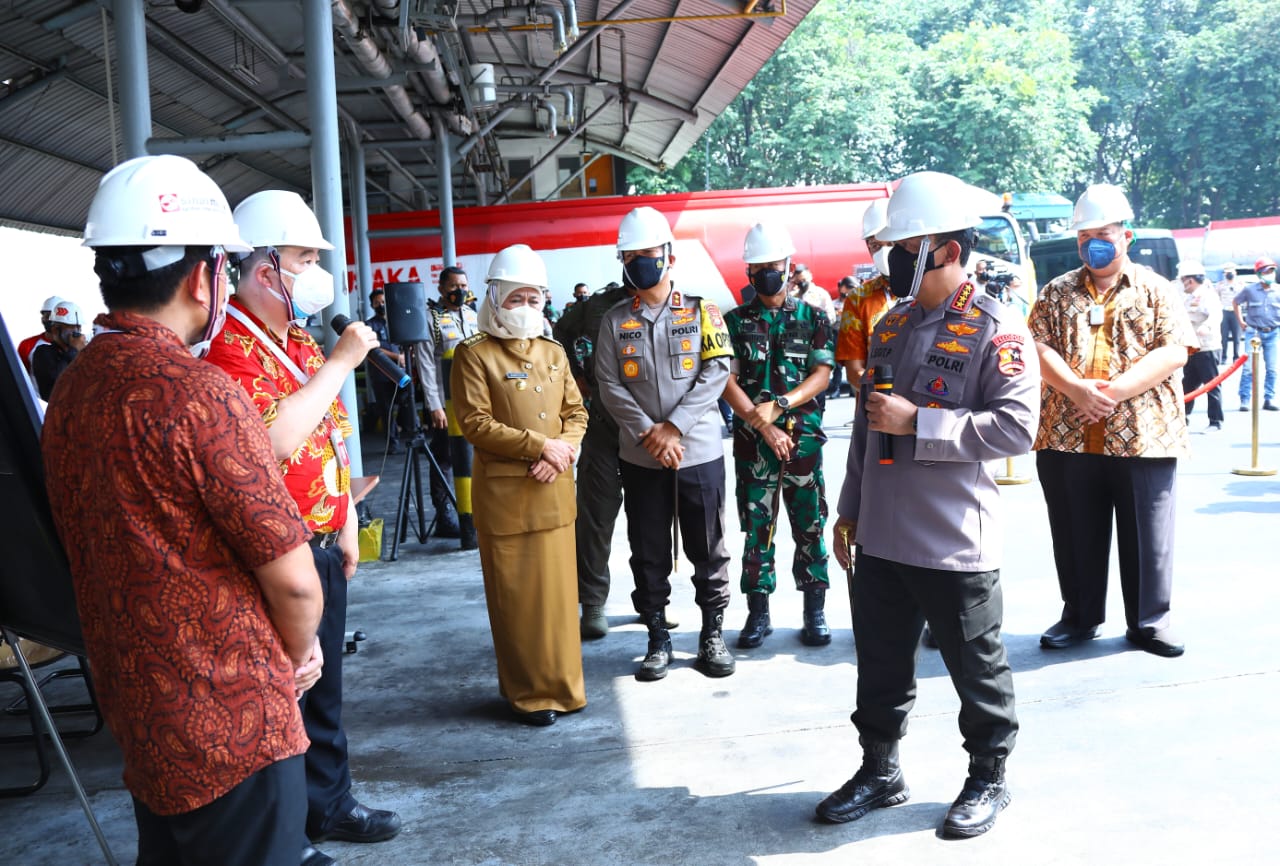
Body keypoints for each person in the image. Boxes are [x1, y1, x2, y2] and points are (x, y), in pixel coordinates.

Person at [43, 154, 324, 866]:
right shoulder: (197, 393)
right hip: (235, 725)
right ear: (204, 276)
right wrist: (294, 656)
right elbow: (293, 578)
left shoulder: (71, 393)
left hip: (142, 713)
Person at [816, 171, 1039, 840]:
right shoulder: (890, 326)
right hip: (882, 534)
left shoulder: (995, 328)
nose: (890, 257)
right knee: (881, 664)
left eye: (903, 244)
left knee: (978, 670)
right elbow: (865, 430)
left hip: (951, 539)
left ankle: (988, 777)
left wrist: (924, 423)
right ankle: (880, 769)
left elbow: (1017, 429)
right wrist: (849, 508)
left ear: (943, 248)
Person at [206, 189, 401, 864]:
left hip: (318, 541)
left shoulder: (292, 339)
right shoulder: (230, 350)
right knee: (283, 697)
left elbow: (331, 434)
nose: (317, 272)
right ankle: (289, 831)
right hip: (274, 554)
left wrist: (345, 515)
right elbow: (275, 442)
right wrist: (342, 362)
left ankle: (329, 803)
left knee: (324, 691)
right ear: (264, 271)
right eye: (303, 258)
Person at [1030, 183, 1197, 659]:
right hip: (1066, 433)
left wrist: (1114, 391)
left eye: (1102, 233)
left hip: (1144, 435)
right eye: (1084, 236)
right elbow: (1037, 347)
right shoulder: (1055, 292)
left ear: (1127, 235)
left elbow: (1174, 350)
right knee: (1073, 530)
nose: (1091, 243)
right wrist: (1076, 389)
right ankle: (1079, 617)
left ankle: (1149, 622)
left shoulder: (1156, 288)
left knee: (1148, 535)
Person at [594, 206, 736, 682]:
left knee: (709, 548)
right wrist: (650, 435)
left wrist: (673, 427)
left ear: (669, 257)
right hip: (641, 457)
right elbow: (609, 385)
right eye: (630, 256)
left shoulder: (703, 310)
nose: (639, 263)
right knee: (648, 549)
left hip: (698, 452)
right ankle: (657, 638)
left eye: (647, 255)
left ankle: (712, 635)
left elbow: (717, 372)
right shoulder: (615, 321)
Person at [451, 244, 589, 726]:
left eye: (534, 298)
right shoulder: (473, 355)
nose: (526, 308)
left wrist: (563, 449)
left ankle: (565, 689)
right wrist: (540, 446)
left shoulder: (553, 352)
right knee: (518, 606)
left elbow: (576, 413)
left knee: (555, 604)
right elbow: (475, 423)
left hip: (554, 493)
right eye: (516, 298)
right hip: (509, 501)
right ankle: (529, 695)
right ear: (494, 297)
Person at [723, 222, 835, 650]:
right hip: (755, 446)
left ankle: (815, 609)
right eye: (759, 267)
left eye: (774, 266)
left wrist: (783, 406)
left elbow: (822, 375)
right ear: (749, 272)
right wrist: (763, 424)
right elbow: (726, 381)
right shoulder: (733, 321)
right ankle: (758, 614)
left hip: (803, 442)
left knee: (810, 524)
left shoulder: (815, 318)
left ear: (789, 267)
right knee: (757, 529)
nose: (768, 273)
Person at [552, 279, 632, 639]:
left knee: (652, 521)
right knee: (595, 518)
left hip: (649, 432)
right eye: (629, 256)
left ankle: (653, 603)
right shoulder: (597, 305)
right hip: (602, 426)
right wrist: (577, 375)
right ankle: (593, 602)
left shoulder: (674, 306)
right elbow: (561, 333)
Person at [415, 266, 480, 546]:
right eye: (454, 286)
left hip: (475, 400)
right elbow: (426, 363)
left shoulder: (473, 315)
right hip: (446, 402)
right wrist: (434, 405)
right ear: (441, 289)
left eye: (463, 285)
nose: (460, 291)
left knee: (474, 458)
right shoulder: (433, 319)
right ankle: (446, 516)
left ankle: (476, 510)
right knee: (445, 459)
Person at [835, 199, 897, 386]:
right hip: (876, 405)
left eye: (891, 243)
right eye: (876, 246)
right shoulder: (858, 299)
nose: (884, 252)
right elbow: (854, 372)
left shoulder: (927, 290)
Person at [364, 287, 414, 452]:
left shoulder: (398, 320)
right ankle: (392, 443)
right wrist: (395, 357)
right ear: (372, 305)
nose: (381, 305)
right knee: (387, 409)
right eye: (377, 302)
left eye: (383, 302)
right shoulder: (369, 325)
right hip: (381, 374)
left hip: (401, 372)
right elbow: (373, 347)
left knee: (409, 400)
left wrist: (407, 355)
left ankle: (414, 435)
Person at [1178, 260, 1224, 430]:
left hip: (1207, 347)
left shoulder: (1207, 295)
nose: (1182, 284)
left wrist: (1207, 327)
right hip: (1192, 348)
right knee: (1188, 385)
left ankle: (1215, 421)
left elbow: (1216, 315)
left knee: (1211, 385)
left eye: (1183, 280)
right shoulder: (1190, 297)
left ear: (1190, 280)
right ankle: (1183, 418)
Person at [1234, 256, 1280, 411]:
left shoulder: (1278, 290)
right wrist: (1241, 321)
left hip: (1273, 333)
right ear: (1259, 274)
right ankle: (1245, 399)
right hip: (1254, 333)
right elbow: (1236, 302)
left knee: (1272, 368)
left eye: (1272, 271)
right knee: (1248, 368)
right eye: (1267, 271)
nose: (1270, 274)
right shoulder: (1250, 290)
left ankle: (1269, 398)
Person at [31, 300, 87, 400]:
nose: (76, 332)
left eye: (78, 328)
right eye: (71, 328)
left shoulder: (82, 353)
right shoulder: (43, 353)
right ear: (55, 329)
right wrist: (74, 350)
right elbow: (58, 383)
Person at [17, 294, 63, 375]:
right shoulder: (27, 345)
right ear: (42, 318)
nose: (51, 319)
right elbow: (19, 376)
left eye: (55, 315)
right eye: (47, 315)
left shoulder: (76, 344)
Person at [1216, 263, 1242, 363]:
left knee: (1237, 336)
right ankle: (1224, 356)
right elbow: (1216, 297)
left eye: (1230, 272)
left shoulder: (1240, 284)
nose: (1229, 274)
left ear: (1235, 272)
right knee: (1224, 336)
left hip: (1236, 312)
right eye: (1227, 273)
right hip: (1224, 312)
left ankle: (1236, 357)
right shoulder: (1220, 285)